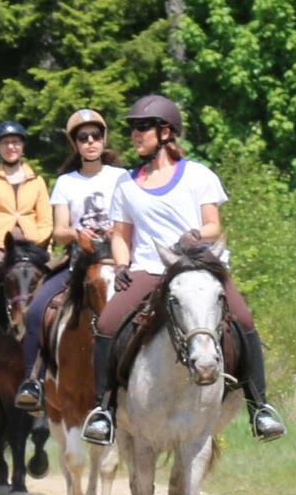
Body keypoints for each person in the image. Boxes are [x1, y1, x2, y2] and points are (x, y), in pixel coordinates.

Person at [79, 95, 285, 446]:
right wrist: (123, 264)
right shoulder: (126, 184)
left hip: (196, 266)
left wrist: (195, 235)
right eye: (132, 128)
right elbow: (121, 236)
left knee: (244, 320)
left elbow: (212, 226)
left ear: (165, 132)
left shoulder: (198, 175)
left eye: (142, 127)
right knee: (109, 323)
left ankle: (259, 406)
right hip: (149, 269)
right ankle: (104, 410)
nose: (135, 134)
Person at [18, 108, 117, 413]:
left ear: (104, 139)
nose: (90, 142)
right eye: (83, 137)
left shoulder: (122, 177)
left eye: (95, 136)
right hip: (79, 263)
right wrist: (77, 234)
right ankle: (32, 380)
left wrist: (118, 229)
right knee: (36, 310)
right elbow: (58, 231)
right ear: (75, 144)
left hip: (118, 260)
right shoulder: (65, 183)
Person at [0, 120, 52, 254]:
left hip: (32, 246)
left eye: (15, 142)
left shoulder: (37, 181)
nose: (11, 147)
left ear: (22, 145)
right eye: (5, 143)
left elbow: (45, 220)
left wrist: (41, 244)